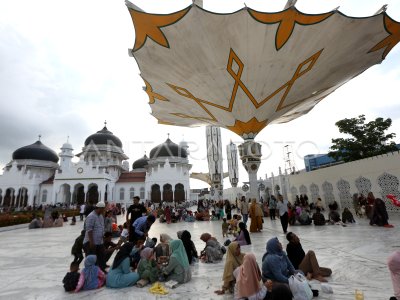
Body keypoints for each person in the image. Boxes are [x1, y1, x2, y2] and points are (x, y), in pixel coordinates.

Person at [83, 202, 106, 272]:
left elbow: (101, 227)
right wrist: (91, 242)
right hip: (91, 242)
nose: (103, 211)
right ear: (99, 208)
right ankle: (91, 273)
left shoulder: (100, 216)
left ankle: (101, 271)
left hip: (99, 241)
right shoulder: (91, 216)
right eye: (103, 209)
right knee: (92, 258)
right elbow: (89, 229)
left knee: (101, 257)